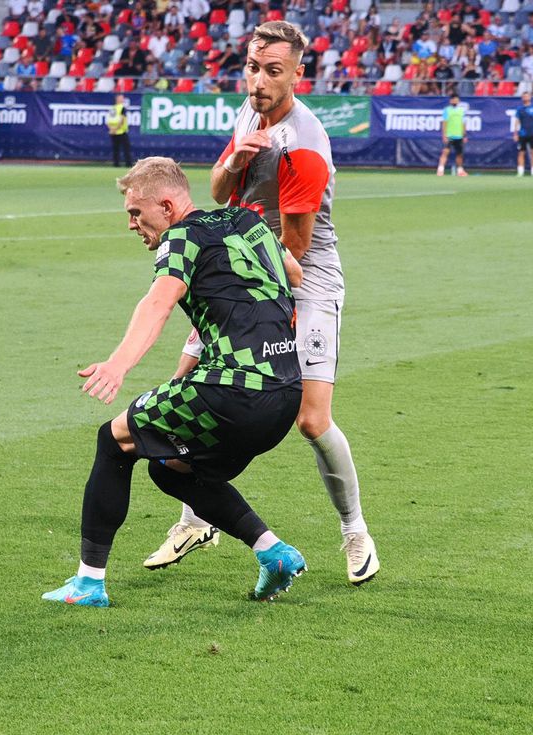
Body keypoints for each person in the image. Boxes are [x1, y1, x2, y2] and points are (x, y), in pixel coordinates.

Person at [150, 20, 380, 585]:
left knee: (310, 418)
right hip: (247, 264)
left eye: (273, 71)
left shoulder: (304, 146)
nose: (258, 80)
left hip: (305, 276)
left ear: (298, 74)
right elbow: (219, 191)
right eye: (253, 67)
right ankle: (193, 517)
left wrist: (226, 263)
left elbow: (296, 249)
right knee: (193, 384)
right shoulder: (249, 114)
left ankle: (356, 532)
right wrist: (235, 159)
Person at [42, 157, 306, 607]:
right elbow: (294, 275)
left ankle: (88, 583)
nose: (132, 224)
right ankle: (273, 553)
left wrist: (118, 364)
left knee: (114, 439)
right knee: (171, 469)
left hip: (234, 390)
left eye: (135, 213)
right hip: (285, 393)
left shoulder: (181, 236)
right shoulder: (247, 220)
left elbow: (159, 301)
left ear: (166, 205)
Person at [436, 92, 468, 177]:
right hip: (450, 135)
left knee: (459, 154)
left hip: (459, 136)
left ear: (458, 101)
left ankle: (460, 171)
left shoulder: (462, 111)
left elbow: (463, 123)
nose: (455, 101)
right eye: (453, 100)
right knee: (445, 152)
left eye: (456, 100)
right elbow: (444, 123)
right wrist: (444, 135)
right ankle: (440, 170)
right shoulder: (447, 110)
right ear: (450, 101)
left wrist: (464, 135)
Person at [513, 92, 533, 177]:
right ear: (522, 98)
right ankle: (520, 171)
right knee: (521, 152)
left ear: (530, 97)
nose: (525, 97)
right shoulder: (520, 109)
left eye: (527, 96)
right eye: (524, 96)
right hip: (522, 133)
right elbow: (517, 121)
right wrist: (515, 133)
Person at [107, 92, 132, 167]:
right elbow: (122, 120)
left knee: (116, 149)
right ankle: (128, 164)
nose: (122, 99)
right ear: (117, 99)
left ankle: (116, 164)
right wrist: (116, 129)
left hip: (113, 132)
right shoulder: (122, 108)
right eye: (121, 98)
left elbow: (109, 121)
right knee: (126, 149)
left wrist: (112, 129)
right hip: (121, 131)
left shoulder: (113, 108)